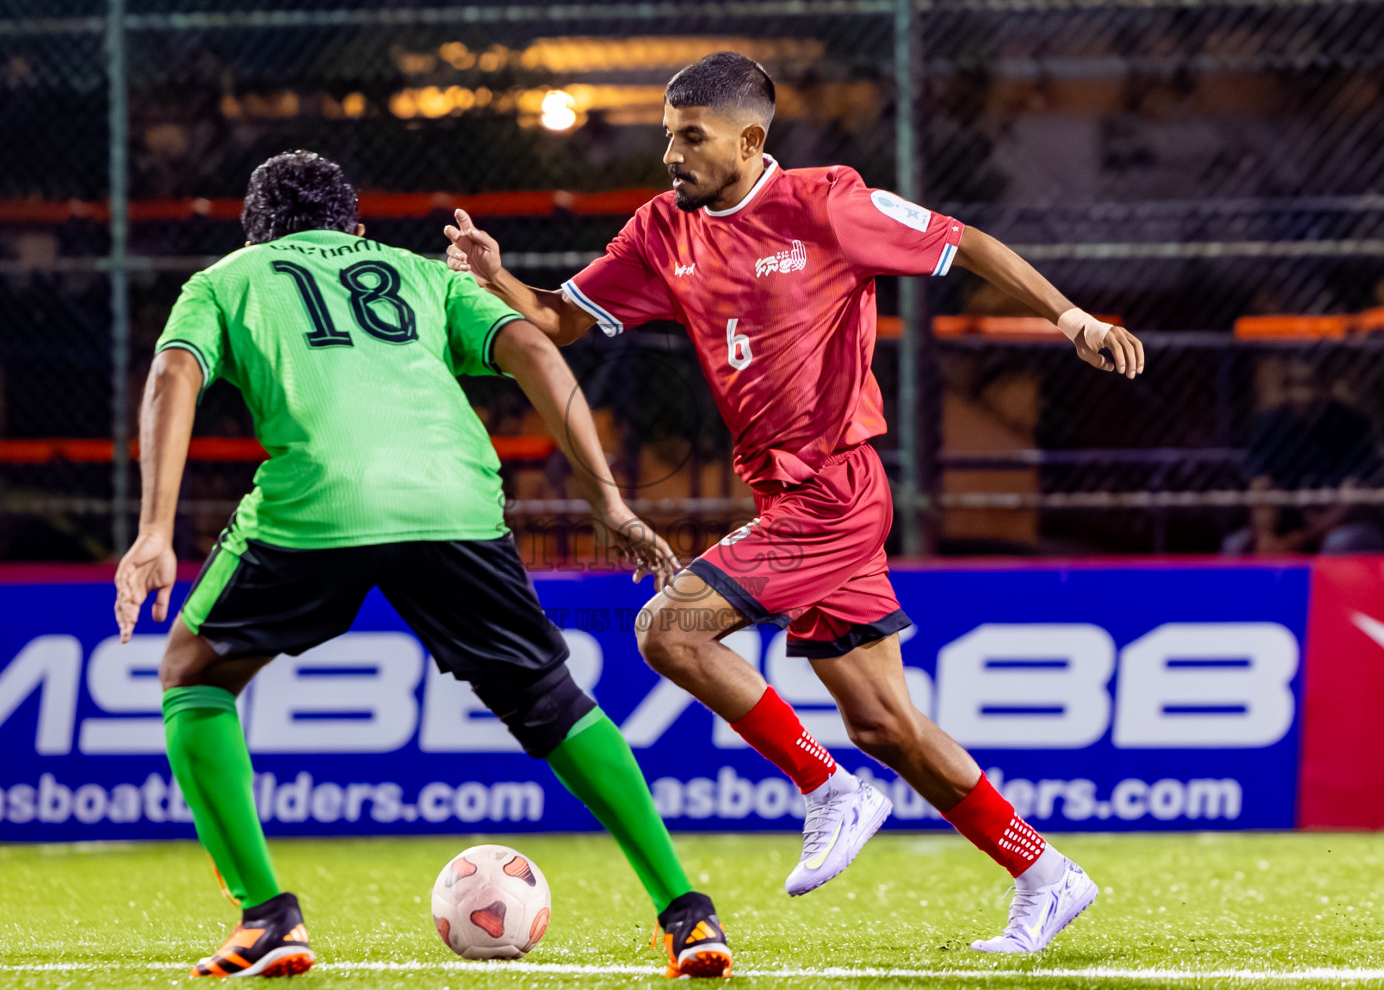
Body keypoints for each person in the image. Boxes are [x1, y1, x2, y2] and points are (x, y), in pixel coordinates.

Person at [445, 52, 1146, 954]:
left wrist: (1069, 316)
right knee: (885, 723)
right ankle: (1046, 873)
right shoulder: (664, 230)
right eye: (668, 136)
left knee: (669, 629)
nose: (673, 155)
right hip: (782, 493)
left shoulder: (826, 204)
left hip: (837, 491)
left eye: (690, 138)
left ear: (749, 138)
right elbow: (562, 321)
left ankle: (829, 791)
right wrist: (497, 278)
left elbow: (962, 240)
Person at [113, 151, 733, 979]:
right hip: (454, 501)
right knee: (548, 697)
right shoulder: (417, 274)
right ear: (355, 230)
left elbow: (172, 372)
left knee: (193, 673)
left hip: (316, 503)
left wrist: (155, 530)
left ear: (257, 233)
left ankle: (267, 918)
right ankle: (687, 916)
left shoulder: (231, 278)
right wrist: (610, 504)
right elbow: (541, 355)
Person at [1223, 355, 1384, 555]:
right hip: (1286, 527)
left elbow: (1351, 498)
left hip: (1337, 525)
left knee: (1340, 542)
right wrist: (1266, 536)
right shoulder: (1272, 424)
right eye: (1291, 385)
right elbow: (1262, 487)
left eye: (1309, 384)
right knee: (1234, 545)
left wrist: (1305, 537)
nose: (1302, 395)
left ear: (1325, 386)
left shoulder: (1350, 425)